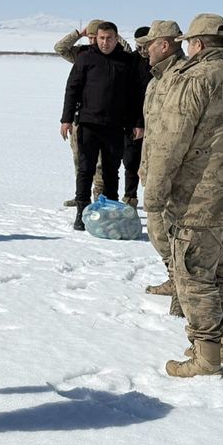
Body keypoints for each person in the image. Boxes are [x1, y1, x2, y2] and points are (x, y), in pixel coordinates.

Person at [143, 14, 223, 377]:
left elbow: (169, 143)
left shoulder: (195, 78)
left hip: (199, 198)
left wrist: (153, 195)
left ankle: (206, 358)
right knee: (217, 274)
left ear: (197, 44)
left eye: (188, 44)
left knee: (194, 276)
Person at [60, 22, 141, 231]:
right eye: (102, 38)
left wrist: (137, 123)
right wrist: (66, 119)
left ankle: (111, 211)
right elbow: (72, 89)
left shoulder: (126, 61)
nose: (105, 43)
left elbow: (135, 95)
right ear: (97, 38)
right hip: (89, 124)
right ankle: (82, 212)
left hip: (116, 126)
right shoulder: (86, 58)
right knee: (85, 170)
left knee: (111, 171)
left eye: (109, 38)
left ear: (116, 38)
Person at [136, 20, 186, 309]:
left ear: (164, 45)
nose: (145, 50)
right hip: (153, 166)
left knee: (175, 232)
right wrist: (144, 164)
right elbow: (153, 128)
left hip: (175, 171)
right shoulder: (156, 78)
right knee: (157, 231)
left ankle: (185, 288)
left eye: (149, 45)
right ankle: (175, 277)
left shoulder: (182, 77)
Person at [122, 26, 153, 208]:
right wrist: (136, 123)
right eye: (139, 46)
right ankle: (130, 198)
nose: (143, 50)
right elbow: (128, 95)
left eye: (146, 46)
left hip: (156, 122)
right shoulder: (130, 61)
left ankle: (153, 201)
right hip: (133, 122)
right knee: (131, 162)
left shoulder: (159, 63)